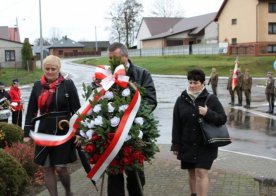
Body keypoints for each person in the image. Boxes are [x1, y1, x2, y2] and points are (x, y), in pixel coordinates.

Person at [23, 55, 80, 196]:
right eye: (46, 68)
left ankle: (68, 191)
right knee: (47, 168)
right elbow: (31, 111)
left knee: (60, 167)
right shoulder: (37, 86)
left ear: (59, 69)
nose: (49, 72)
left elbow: (77, 111)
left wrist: (79, 132)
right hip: (44, 130)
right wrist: (27, 133)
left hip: (63, 130)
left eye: (53, 69)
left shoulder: (68, 84)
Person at [106, 42, 157, 196]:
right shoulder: (105, 76)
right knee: (114, 175)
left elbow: (151, 100)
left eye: (115, 58)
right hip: (111, 134)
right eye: (109, 59)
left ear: (125, 56)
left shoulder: (142, 75)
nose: (112, 62)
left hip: (134, 132)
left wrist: (133, 114)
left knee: (135, 175)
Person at [171, 69, 227, 196]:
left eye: (195, 82)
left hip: (205, 145)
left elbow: (222, 119)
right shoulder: (181, 100)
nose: (192, 85)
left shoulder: (211, 99)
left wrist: (208, 113)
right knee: (191, 172)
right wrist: (176, 145)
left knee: (201, 172)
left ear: (202, 83)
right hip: (187, 144)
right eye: (190, 82)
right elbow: (176, 125)